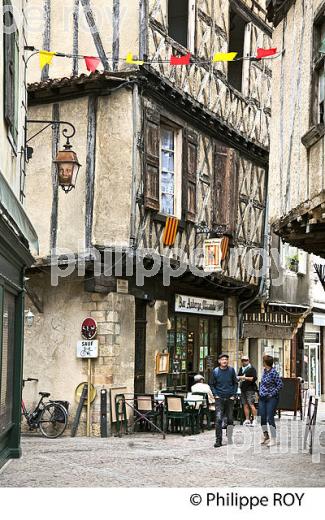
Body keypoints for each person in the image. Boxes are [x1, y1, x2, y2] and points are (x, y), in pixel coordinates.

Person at [210, 353, 238, 448]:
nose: (224, 361)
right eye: (222, 359)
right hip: (219, 398)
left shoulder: (231, 370)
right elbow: (212, 384)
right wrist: (215, 395)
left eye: (226, 359)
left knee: (230, 419)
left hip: (230, 398)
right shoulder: (216, 371)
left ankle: (229, 437)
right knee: (218, 419)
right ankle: (218, 440)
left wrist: (234, 395)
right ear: (219, 361)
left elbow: (235, 383)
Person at [259, 354, 283, 447]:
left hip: (271, 398)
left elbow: (280, 385)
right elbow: (263, 384)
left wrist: (272, 393)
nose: (262, 363)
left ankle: (273, 438)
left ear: (266, 363)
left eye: (263, 361)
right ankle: (266, 435)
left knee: (270, 418)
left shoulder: (273, 372)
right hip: (262, 398)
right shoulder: (264, 371)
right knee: (262, 418)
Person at [237, 356, 258, 426]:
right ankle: (247, 419)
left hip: (250, 389)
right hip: (243, 388)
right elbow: (238, 377)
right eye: (243, 360)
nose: (244, 361)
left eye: (246, 360)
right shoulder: (241, 369)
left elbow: (254, 378)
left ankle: (255, 419)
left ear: (248, 360)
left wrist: (244, 377)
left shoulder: (252, 369)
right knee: (245, 404)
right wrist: (239, 378)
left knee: (251, 404)